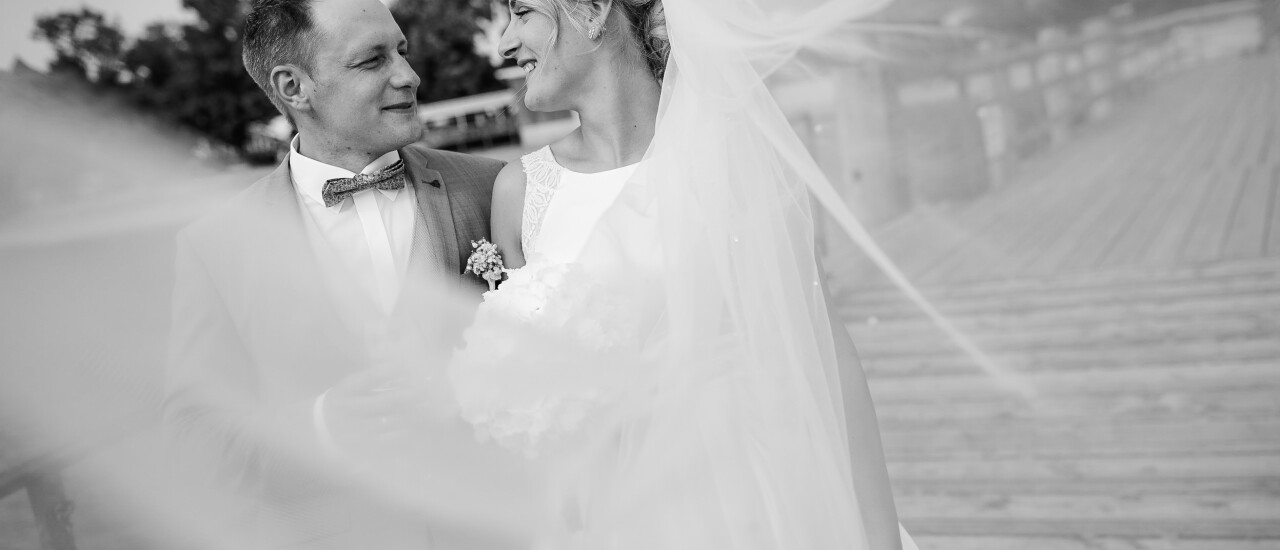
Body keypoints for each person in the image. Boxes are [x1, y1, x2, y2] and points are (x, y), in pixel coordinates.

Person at [449, 0, 916, 548]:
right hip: (611, 515)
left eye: (522, 12)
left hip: (754, 496)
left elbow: (825, 351)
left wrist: (879, 535)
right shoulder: (522, 191)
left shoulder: (732, 157)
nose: (505, 43)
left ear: (595, 11)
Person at [163, 0, 532, 547]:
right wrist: (322, 428)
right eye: (372, 61)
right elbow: (195, 442)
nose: (409, 76)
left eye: (402, 51)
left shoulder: (495, 187)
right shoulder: (216, 246)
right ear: (294, 88)